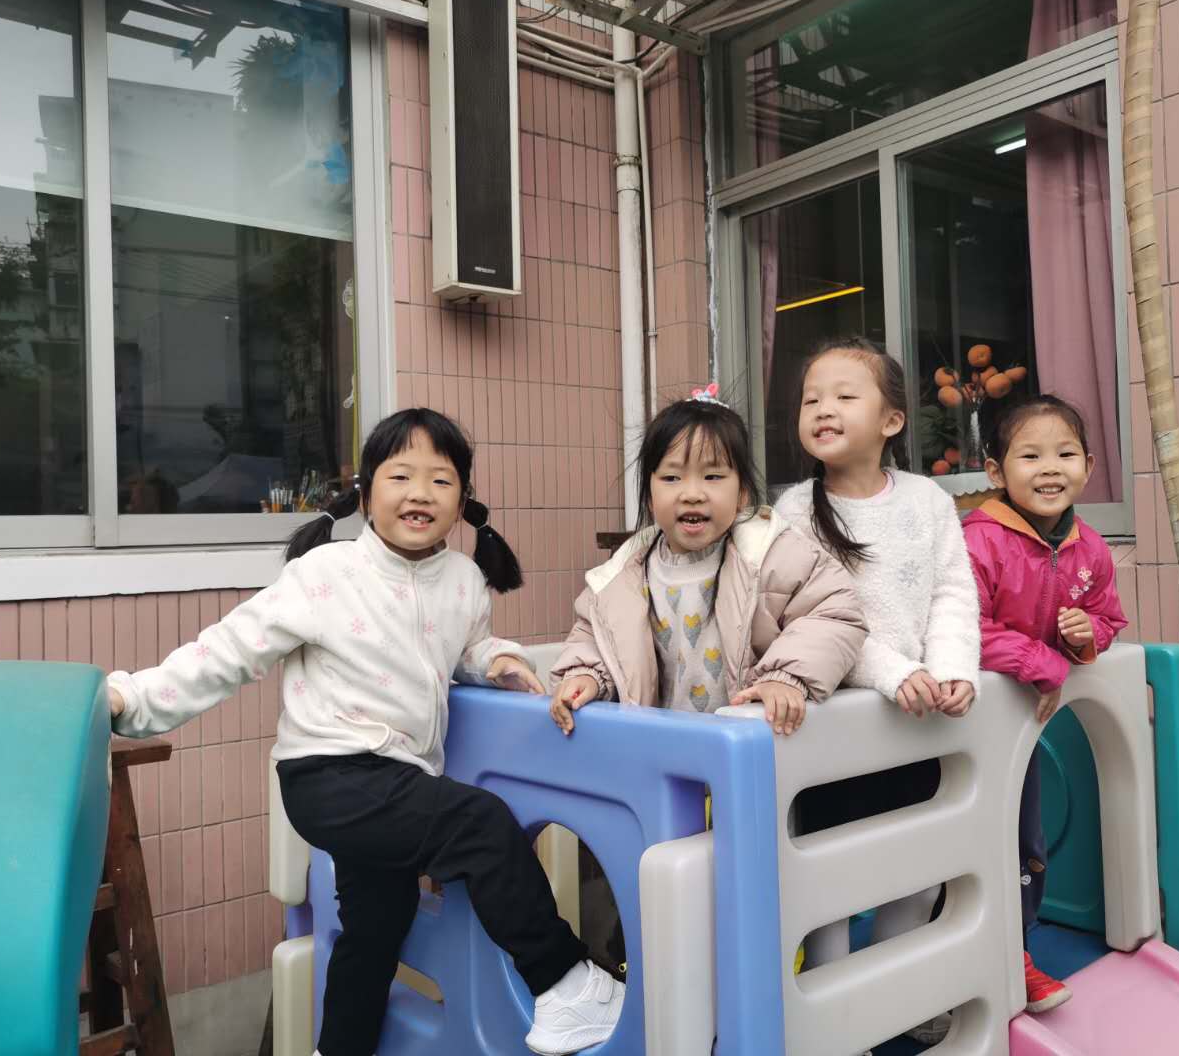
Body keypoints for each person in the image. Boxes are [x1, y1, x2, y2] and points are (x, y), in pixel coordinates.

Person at [106, 408, 623, 1056]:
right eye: (400, 476)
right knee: (484, 824)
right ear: (365, 493)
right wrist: (132, 697)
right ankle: (564, 981)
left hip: (398, 782)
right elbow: (228, 650)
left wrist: (499, 662)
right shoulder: (326, 575)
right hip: (329, 775)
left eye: (440, 480)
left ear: (463, 498)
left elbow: (466, 648)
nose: (420, 493)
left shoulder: (465, 581)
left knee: (378, 926)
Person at [776, 339, 980, 1048]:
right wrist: (893, 673)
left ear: (891, 421)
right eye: (811, 398)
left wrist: (953, 667)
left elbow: (953, 591)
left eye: (844, 395)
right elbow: (810, 622)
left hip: (920, 724)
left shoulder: (927, 500)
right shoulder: (793, 510)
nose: (822, 408)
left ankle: (899, 1000)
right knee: (830, 888)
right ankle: (836, 1023)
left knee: (918, 876)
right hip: (833, 732)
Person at [548, 384, 867, 736]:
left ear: (742, 492)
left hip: (751, 743)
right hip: (663, 745)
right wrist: (587, 675)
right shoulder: (621, 575)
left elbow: (834, 612)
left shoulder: (769, 553)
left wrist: (785, 676)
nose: (692, 494)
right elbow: (595, 637)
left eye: (713, 477)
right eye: (671, 478)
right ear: (650, 496)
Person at [963, 393, 1128, 1013]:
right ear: (996, 470)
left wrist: (1086, 636)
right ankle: (954, 968)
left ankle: (1016, 955)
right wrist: (1046, 663)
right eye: (1030, 456)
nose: (1050, 468)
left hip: (1022, 729)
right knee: (965, 842)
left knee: (1022, 838)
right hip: (962, 721)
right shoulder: (977, 541)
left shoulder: (1090, 548)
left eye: (1065, 454)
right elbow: (963, 627)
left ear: (1089, 466)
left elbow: (1108, 617)